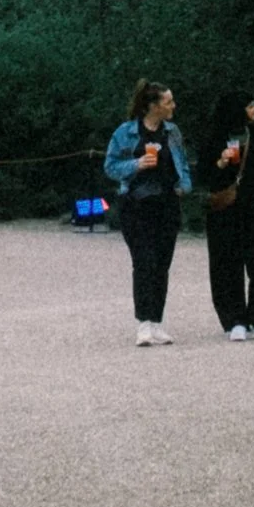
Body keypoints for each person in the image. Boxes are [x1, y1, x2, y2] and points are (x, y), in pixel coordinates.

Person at [104, 78, 191, 348]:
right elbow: (110, 165)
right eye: (168, 102)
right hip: (136, 206)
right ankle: (143, 323)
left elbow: (183, 163)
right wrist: (137, 164)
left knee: (162, 264)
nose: (173, 106)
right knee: (144, 262)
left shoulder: (172, 132)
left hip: (166, 204)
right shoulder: (126, 132)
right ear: (153, 106)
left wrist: (184, 186)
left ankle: (157, 321)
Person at [202, 98, 254, 340]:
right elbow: (202, 175)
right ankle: (234, 320)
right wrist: (220, 163)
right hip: (225, 210)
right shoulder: (214, 136)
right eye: (250, 106)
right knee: (227, 264)